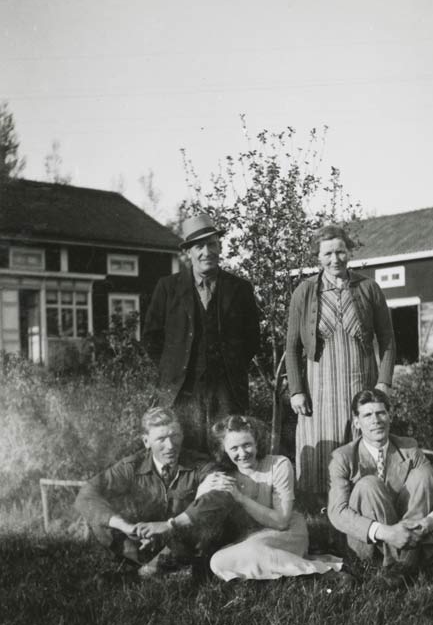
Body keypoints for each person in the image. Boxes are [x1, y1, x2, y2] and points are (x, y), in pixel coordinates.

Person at [286, 224, 395, 498]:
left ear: (349, 252)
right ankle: (321, 504)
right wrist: (296, 390)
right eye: (328, 253)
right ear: (317, 256)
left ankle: (364, 499)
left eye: (340, 252)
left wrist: (383, 382)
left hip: (361, 384)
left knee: (363, 439)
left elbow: (388, 340)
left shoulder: (368, 288)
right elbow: (292, 347)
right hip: (320, 391)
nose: (335, 259)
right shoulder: (304, 292)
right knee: (325, 444)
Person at [75, 407, 242, 579]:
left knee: (209, 519)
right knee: (100, 519)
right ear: (146, 441)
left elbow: (221, 494)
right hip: (143, 540)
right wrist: (126, 527)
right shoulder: (132, 466)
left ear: (182, 435)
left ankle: (143, 573)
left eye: (175, 436)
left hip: (182, 539)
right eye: (161, 439)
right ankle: (162, 567)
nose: (170, 446)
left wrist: (170, 525)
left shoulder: (200, 464)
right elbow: (86, 495)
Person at [143, 212, 260, 451]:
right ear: (188, 252)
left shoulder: (239, 288)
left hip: (227, 389)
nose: (207, 252)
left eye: (212, 244)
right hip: (181, 389)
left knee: (227, 449)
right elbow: (151, 338)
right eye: (199, 246)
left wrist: (230, 365)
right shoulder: (168, 288)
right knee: (184, 449)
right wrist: (174, 366)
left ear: (220, 247)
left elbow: (252, 339)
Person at [328, 389, 433, 587]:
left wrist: (428, 523)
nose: (376, 420)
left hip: (411, 532)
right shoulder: (343, 457)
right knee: (369, 484)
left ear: (390, 417)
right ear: (357, 423)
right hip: (369, 544)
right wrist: (387, 532)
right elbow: (337, 511)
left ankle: (400, 569)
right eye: (368, 415)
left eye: (381, 413)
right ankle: (411, 565)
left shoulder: (409, 448)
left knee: (424, 475)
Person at [207, 415, 344, 582]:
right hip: (248, 538)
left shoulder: (279, 465)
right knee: (217, 561)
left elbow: (281, 522)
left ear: (257, 442)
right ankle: (283, 569)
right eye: (234, 448)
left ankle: (320, 573)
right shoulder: (224, 475)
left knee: (247, 551)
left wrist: (240, 498)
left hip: (286, 533)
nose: (242, 453)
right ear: (224, 450)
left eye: (247, 445)